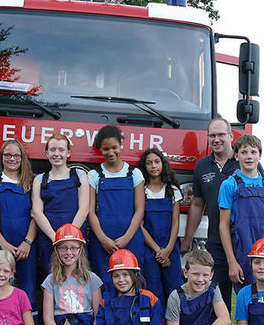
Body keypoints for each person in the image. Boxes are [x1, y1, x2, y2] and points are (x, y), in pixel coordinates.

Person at [180, 118, 240, 309]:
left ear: (231, 136)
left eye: (221, 134)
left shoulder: (244, 161)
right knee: (217, 297)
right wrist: (188, 238)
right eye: (212, 135)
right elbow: (197, 204)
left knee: (249, 295)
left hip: (243, 240)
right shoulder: (202, 166)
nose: (217, 139)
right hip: (216, 241)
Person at [218, 134, 264, 289]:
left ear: (260, 155)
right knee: (248, 295)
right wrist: (232, 261)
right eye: (244, 152)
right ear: (236, 156)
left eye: (253, 152)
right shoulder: (229, 185)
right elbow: (223, 225)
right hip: (245, 248)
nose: (249, 157)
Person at [0, 139, 38, 308]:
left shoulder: (31, 183)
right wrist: (3, 244)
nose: (12, 159)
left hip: (26, 245)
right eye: (8, 155)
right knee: (0, 284)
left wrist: (27, 242)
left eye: (16, 155)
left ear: (22, 158)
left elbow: (36, 216)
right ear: (1, 157)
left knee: (28, 287)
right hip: (0, 242)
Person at [87, 125, 145, 291]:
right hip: (102, 240)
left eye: (114, 147)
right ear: (100, 150)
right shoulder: (95, 175)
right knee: (104, 284)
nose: (110, 152)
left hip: (131, 238)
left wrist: (126, 237)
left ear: (121, 145)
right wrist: (103, 239)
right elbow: (90, 211)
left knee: (133, 282)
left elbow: (140, 209)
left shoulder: (134, 173)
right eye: (105, 149)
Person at [32, 134, 90, 278]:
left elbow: (84, 208)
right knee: (53, 279)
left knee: (78, 279)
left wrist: (70, 237)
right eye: (52, 150)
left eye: (61, 150)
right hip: (49, 240)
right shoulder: (39, 180)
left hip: (75, 240)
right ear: (46, 153)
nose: (56, 154)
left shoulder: (79, 175)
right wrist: (55, 238)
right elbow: (37, 212)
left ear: (68, 153)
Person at [139, 147, 183, 303]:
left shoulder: (172, 190)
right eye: (149, 163)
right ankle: (156, 324)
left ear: (163, 164)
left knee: (174, 287)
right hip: (149, 248)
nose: (153, 166)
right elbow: (140, 225)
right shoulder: (141, 191)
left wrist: (168, 249)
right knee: (152, 288)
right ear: (145, 166)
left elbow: (176, 222)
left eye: (157, 162)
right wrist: (158, 251)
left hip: (170, 247)